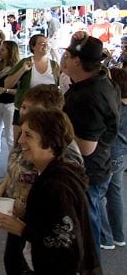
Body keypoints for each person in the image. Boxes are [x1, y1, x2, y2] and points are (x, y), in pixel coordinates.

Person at [0, 84, 83, 274]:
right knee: (14, 261)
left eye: (29, 108)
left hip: (36, 236)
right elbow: (16, 161)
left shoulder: (60, 181)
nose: (20, 141)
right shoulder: (30, 133)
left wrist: (24, 229)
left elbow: (64, 241)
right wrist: (6, 183)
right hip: (24, 215)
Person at [62, 32, 120, 257]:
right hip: (99, 167)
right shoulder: (104, 81)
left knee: (86, 231)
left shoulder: (88, 95)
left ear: (77, 61)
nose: (64, 60)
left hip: (88, 171)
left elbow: (86, 147)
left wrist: (56, 126)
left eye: (67, 56)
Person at [4, 33, 60, 140]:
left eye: (47, 43)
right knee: (20, 142)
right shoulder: (25, 62)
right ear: (33, 46)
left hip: (47, 112)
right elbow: (8, 83)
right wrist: (23, 70)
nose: (45, 45)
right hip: (25, 110)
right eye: (41, 43)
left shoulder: (54, 65)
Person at [100, 68, 127, 249]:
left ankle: (105, 238)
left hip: (108, 154)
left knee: (98, 195)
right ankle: (119, 235)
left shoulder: (114, 106)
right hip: (123, 154)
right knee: (115, 193)